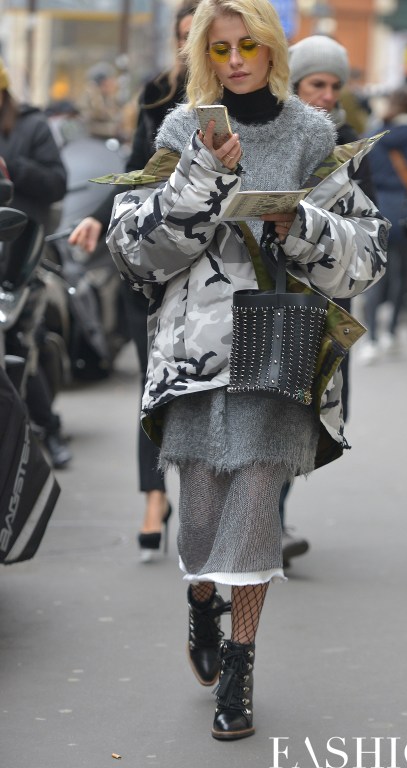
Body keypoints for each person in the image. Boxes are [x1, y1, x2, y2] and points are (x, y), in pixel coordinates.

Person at [106, 0, 387, 740]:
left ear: (272, 51)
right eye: (221, 47)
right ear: (205, 52)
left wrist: (302, 226)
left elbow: (366, 256)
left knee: (256, 506)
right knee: (199, 516)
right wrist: (200, 175)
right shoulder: (179, 132)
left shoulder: (311, 134)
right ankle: (203, 598)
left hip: (278, 348)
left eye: (249, 46)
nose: (235, 61)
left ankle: (241, 662)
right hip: (194, 354)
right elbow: (135, 251)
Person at [69, 1, 200, 560]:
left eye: (208, 39)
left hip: (209, 269)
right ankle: (153, 497)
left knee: (198, 390)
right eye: (186, 37)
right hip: (151, 258)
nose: (193, 48)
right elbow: (138, 164)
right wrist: (101, 212)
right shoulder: (157, 93)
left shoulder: (246, 101)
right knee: (153, 386)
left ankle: (202, 504)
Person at [276, 34, 378, 565]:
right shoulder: (273, 133)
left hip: (329, 297)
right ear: (294, 84)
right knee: (273, 407)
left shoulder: (353, 141)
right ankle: (264, 524)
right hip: (273, 298)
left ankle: (271, 517)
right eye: (317, 83)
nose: (326, 94)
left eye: (335, 85)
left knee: (310, 411)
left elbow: (368, 225)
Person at [0, 57, 70, 468]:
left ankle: (49, 431)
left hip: (22, 255)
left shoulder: (32, 127)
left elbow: (57, 182)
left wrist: (12, 167)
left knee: (22, 341)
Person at [359, 83, 407, 364]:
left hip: (379, 208)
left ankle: (373, 338)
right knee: (403, 274)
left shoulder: (376, 134)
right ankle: (393, 332)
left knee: (375, 276)